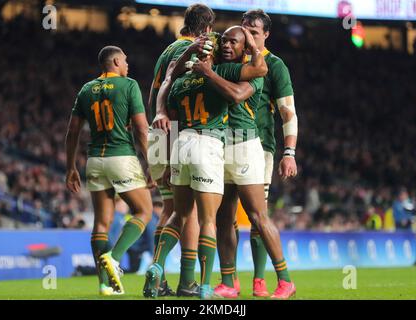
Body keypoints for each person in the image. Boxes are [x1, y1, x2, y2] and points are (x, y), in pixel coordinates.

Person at [143, 28, 267, 299]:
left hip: (179, 145)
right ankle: (205, 286)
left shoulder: (179, 83)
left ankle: (157, 264)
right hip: (207, 146)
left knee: (179, 213)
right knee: (208, 220)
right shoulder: (221, 73)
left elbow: (169, 87)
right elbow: (259, 70)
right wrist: (252, 43)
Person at [213, 19, 297, 299]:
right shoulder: (228, 65)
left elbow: (285, 110)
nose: (226, 45)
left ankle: (282, 280)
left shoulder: (259, 69)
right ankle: (228, 282)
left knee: (258, 216)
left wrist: (289, 151)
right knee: (224, 217)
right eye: (224, 41)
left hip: (250, 146)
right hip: (221, 146)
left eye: (233, 41)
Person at [65, 45, 155, 296]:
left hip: (94, 160)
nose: (128, 65)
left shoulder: (85, 89)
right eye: (125, 61)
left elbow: (72, 131)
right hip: (121, 157)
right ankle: (114, 258)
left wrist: (70, 166)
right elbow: (141, 129)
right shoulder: (129, 86)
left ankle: (105, 284)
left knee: (101, 224)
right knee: (144, 211)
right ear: (115, 61)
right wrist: (150, 164)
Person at [147, 3, 215, 297]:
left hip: (159, 131)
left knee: (169, 209)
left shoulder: (166, 50)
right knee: (189, 213)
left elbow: (156, 92)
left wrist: (156, 131)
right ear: (207, 28)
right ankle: (188, 281)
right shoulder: (196, 50)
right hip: (180, 131)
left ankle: (157, 276)